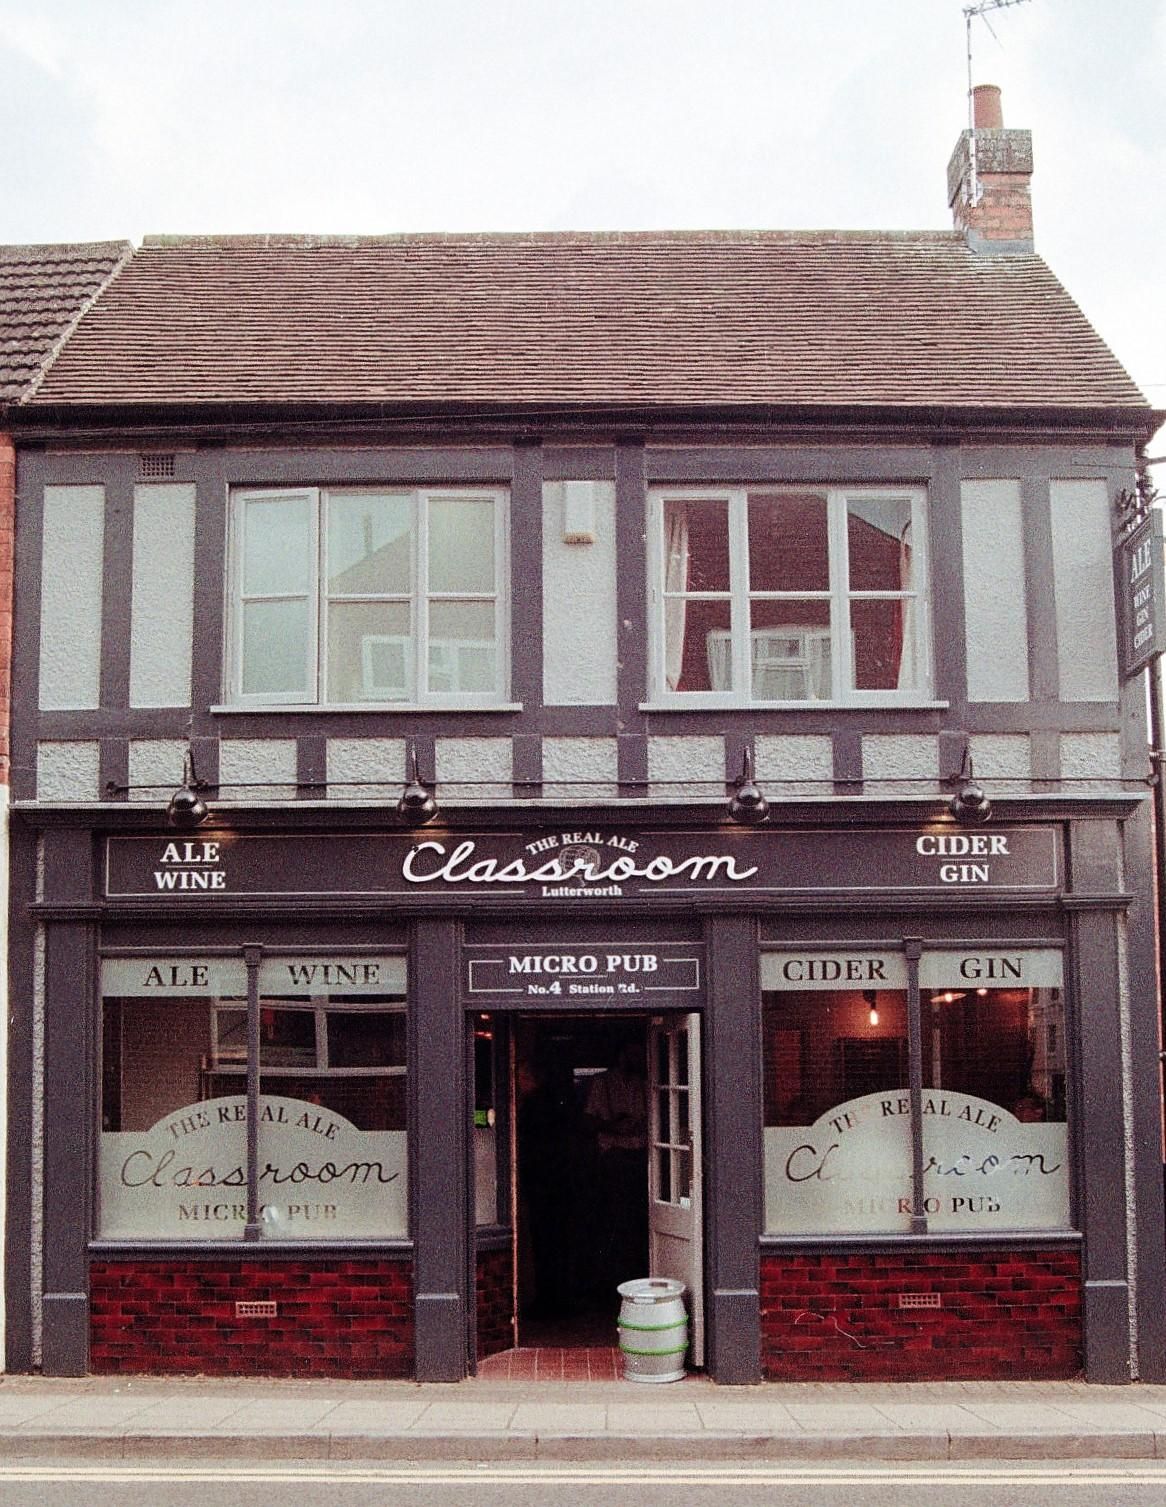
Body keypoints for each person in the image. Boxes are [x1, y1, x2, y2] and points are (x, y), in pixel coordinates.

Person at [585, 1040, 649, 1289]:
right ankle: (615, 1279)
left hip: (641, 1154)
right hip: (613, 1156)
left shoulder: (644, 1083)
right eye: (633, 1053)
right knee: (614, 1218)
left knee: (638, 1219)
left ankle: (637, 1273)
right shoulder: (603, 1083)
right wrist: (613, 1126)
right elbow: (588, 1119)